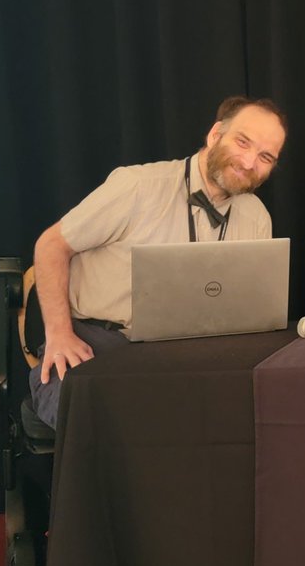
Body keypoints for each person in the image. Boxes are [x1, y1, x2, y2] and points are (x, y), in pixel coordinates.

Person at [30, 96, 288, 428]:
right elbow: (50, 246)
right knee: (100, 424)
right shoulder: (137, 186)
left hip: (189, 357)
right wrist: (59, 334)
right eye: (242, 141)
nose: (250, 161)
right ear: (215, 134)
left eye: (266, 156)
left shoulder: (257, 217)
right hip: (98, 342)